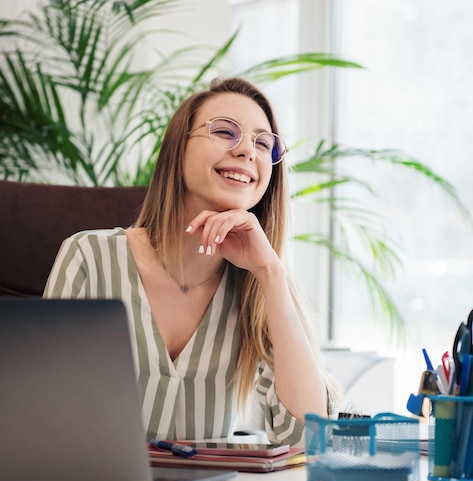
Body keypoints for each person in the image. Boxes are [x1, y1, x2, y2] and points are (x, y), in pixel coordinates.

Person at [44, 76, 339, 446]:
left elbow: (306, 437)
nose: (248, 150)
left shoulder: (260, 285)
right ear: (178, 149)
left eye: (263, 143)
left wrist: (271, 272)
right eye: (225, 131)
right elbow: (41, 412)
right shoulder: (89, 257)